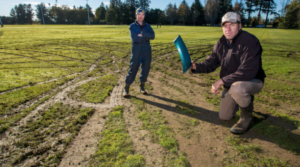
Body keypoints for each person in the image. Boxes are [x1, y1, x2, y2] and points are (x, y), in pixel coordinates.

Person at [190, 12, 266, 134]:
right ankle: (241, 100)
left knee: (237, 89)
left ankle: (247, 117)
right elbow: (210, 63)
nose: (228, 29)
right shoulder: (221, 44)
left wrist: (222, 81)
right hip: (231, 83)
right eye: (225, 25)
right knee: (224, 116)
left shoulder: (250, 41)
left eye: (232, 25)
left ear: (240, 26)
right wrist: (195, 67)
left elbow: (248, 70)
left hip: (253, 80)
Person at [123, 7, 155, 97]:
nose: (140, 16)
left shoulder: (148, 26)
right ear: (136, 15)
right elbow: (135, 38)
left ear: (144, 16)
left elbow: (152, 36)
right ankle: (126, 88)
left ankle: (142, 86)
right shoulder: (132, 26)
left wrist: (142, 35)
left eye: (142, 15)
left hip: (147, 51)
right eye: (139, 14)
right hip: (136, 51)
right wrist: (146, 37)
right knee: (133, 69)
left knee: (146, 69)